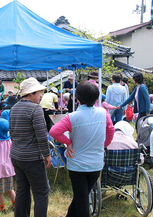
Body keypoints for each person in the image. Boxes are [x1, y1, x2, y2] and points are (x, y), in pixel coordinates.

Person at [49, 81, 114, 217]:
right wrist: (104, 145)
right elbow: (110, 130)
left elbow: (54, 132)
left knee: (81, 199)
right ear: (97, 98)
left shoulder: (73, 117)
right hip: (96, 164)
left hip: (77, 164)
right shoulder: (103, 113)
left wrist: (68, 142)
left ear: (77, 99)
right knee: (82, 197)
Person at [9, 77, 52, 217]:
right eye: (40, 92)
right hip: (32, 158)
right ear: (31, 93)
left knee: (22, 191)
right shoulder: (36, 109)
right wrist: (47, 155)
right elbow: (42, 135)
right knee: (41, 193)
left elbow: (12, 132)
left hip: (16, 156)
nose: (41, 96)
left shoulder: (14, 108)